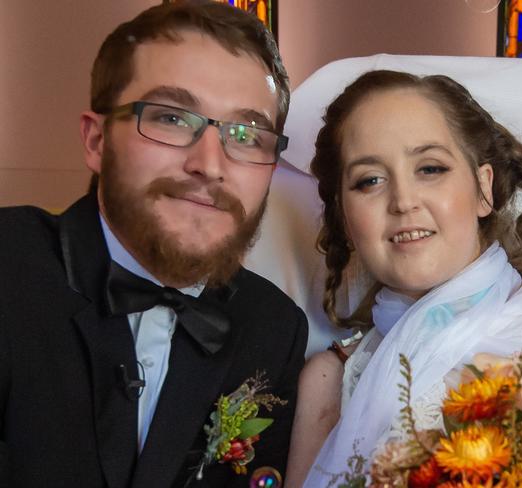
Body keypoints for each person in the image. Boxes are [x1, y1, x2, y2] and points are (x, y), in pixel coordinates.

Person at [284, 70, 522, 487]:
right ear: (345, 216)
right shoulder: (331, 381)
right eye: (370, 180)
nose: (404, 201)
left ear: (483, 189)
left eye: (430, 168)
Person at [0, 2, 308, 487]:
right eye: (171, 118)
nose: (210, 164)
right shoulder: (8, 266)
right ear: (97, 141)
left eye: (246, 134)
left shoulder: (274, 327)